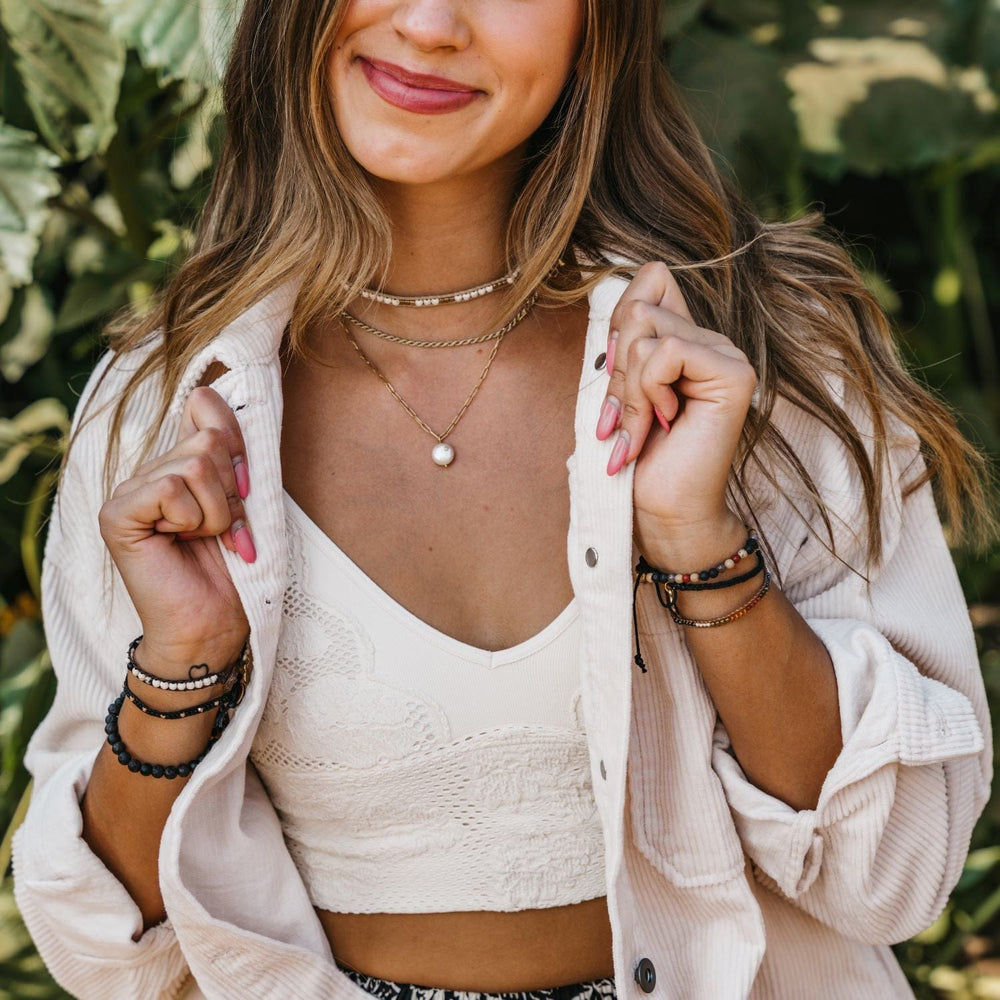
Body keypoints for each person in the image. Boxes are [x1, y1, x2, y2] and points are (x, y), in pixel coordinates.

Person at [11, 0, 994, 998]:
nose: (433, 24)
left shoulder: (758, 358)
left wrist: (700, 543)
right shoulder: (169, 401)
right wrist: (182, 664)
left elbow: (892, 875)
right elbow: (108, 957)